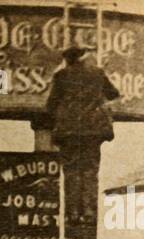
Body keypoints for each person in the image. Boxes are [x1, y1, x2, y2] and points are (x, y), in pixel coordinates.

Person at [42, 45, 120, 226]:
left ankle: (73, 214)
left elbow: (50, 106)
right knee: (90, 171)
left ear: (67, 60)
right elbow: (113, 94)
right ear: (82, 57)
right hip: (93, 131)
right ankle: (90, 212)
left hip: (69, 132)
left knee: (71, 172)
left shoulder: (61, 76)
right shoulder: (97, 73)